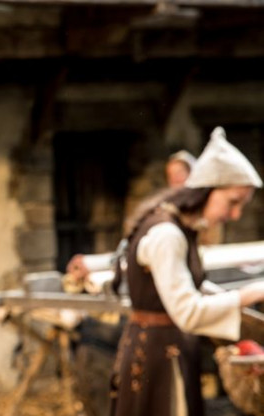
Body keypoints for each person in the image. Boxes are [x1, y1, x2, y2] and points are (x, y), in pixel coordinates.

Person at [109, 126, 264, 416]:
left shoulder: (182, 228)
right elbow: (187, 311)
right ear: (206, 191)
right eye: (232, 202)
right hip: (157, 356)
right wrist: (251, 293)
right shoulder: (168, 235)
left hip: (172, 348)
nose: (235, 215)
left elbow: (189, 292)